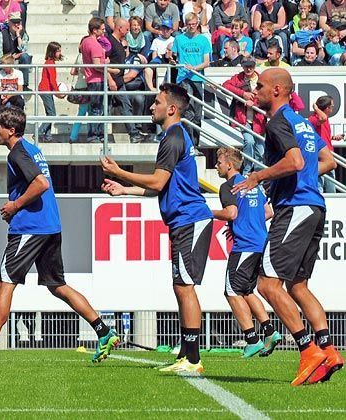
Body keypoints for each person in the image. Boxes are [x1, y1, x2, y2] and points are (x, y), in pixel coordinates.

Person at [0, 107, 120, 365]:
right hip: (50, 226)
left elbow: (41, 183)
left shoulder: (18, 153)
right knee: (57, 286)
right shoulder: (32, 149)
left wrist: (15, 206)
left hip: (31, 228)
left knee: (5, 283)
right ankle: (103, 332)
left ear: (11, 130)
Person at [231, 68, 341, 386]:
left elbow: (294, 161)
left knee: (266, 285)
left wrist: (257, 177)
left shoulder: (278, 121)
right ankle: (329, 349)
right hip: (314, 206)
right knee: (298, 286)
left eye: (261, 86)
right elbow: (329, 161)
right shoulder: (302, 122)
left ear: (278, 90)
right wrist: (303, 178)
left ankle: (308, 351)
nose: (256, 90)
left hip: (295, 207)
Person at [100, 83, 213, 373]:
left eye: (157, 102)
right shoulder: (173, 137)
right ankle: (186, 355)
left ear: (172, 109)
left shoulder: (173, 137)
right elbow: (164, 188)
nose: (151, 107)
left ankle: (193, 359)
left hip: (190, 219)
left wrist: (119, 171)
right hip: (182, 220)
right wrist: (125, 190)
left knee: (184, 287)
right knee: (181, 286)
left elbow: (158, 182)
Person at [212, 147, 282, 358]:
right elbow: (268, 211)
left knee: (231, 291)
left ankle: (252, 339)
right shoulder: (254, 184)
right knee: (246, 290)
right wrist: (247, 223)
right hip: (260, 242)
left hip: (245, 245)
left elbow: (231, 213)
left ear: (229, 165)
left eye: (219, 163)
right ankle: (270, 331)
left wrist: (205, 212)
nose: (217, 166)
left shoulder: (228, 186)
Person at [171, 12, 211, 147]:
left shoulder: (204, 40)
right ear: (186, 25)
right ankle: (189, 145)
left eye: (194, 24)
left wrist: (194, 68)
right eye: (189, 25)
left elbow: (206, 62)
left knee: (197, 114)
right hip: (184, 78)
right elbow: (173, 57)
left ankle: (196, 144)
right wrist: (171, 59)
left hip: (198, 78)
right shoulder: (179, 39)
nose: (192, 27)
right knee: (188, 112)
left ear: (198, 23)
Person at [222, 57, 265, 175]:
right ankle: (246, 171)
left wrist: (254, 101)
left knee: (260, 148)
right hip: (243, 118)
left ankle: (258, 173)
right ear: (242, 66)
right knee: (249, 141)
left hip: (259, 120)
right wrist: (243, 94)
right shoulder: (238, 77)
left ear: (255, 66)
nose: (249, 68)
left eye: (251, 65)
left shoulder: (262, 79)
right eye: (246, 65)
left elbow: (266, 97)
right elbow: (225, 86)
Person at [308, 95, 344, 193]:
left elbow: (322, 135)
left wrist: (333, 138)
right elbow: (322, 118)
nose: (332, 108)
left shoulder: (325, 118)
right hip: (320, 156)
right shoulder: (314, 119)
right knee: (320, 183)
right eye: (331, 106)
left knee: (331, 185)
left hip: (328, 155)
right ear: (327, 108)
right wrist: (316, 108)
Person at [80, 17, 106, 143]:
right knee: (97, 109)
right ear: (95, 30)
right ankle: (94, 135)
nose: (104, 31)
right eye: (102, 29)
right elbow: (97, 65)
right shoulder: (94, 44)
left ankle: (96, 135)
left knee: (95, 108)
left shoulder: (85, 42)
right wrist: (110, 69)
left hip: (91, 79)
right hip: (96, 80)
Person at [0, 12, 31, 89]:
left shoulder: (23, 34)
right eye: (14, 22)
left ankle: (24, 85)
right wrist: (11, 57)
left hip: (17, 59)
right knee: (0, 63)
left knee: (25, 57)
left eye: (18, 22)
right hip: (5, 60)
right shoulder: (1, 35)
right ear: (9, 23)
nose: (16, 24)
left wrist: (18, 35)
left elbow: (23, 50)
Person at [37, 41, 63, 143]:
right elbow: (52, 80)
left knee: (50, 113)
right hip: (45, 90)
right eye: (58, 51)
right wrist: (57, 93)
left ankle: (48, 137)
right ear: (52, 52)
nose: (60, 53)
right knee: (52, 114)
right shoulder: (50, 63)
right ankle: (39, 132)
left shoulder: (50, 62)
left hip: (46, 90)